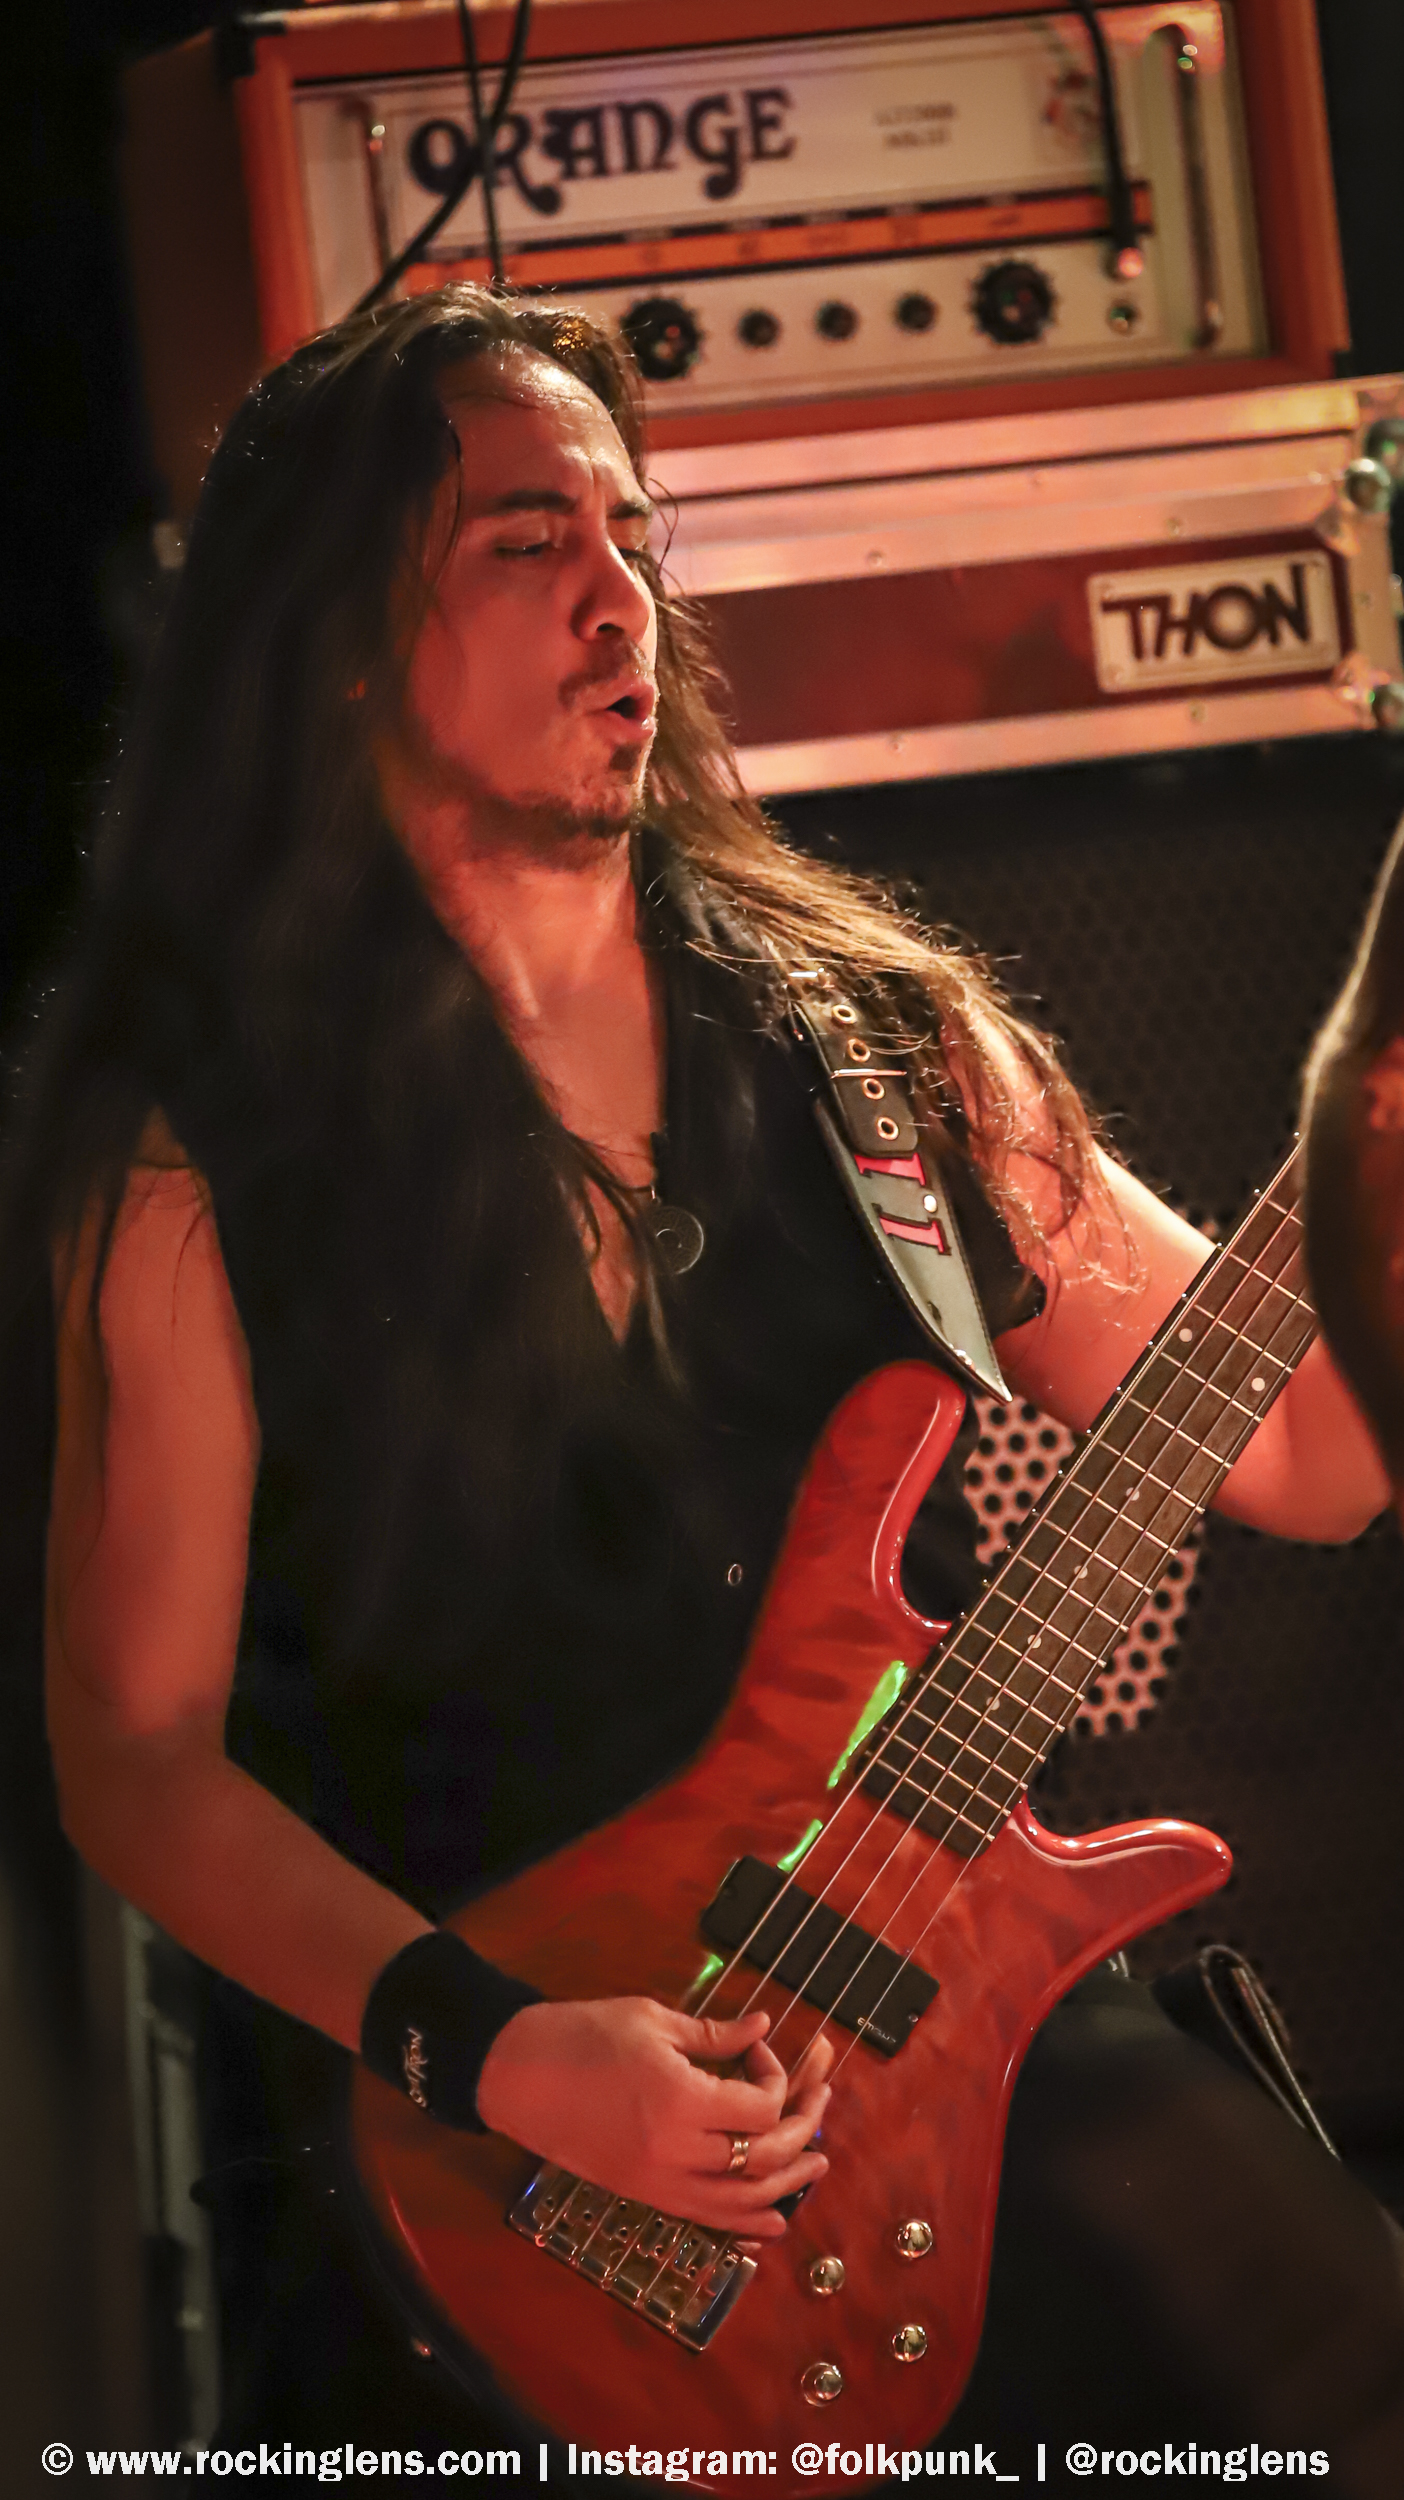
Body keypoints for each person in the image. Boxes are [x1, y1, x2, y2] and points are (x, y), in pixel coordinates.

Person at [21, 283, 1404, 2482]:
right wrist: (498, 2052)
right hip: (507, 2163)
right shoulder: (195, 1181)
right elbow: (134, 1751)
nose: (620, 598)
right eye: (526, 542)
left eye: (634, 538)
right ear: (342, 636)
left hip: (973, 2036)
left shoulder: (889, 1043)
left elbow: (1318, 1450)